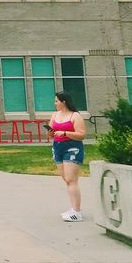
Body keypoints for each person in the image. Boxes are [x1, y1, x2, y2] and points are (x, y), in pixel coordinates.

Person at [49, 90, 86, 221]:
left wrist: (65, 133)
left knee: (71, 179)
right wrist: (51, 132)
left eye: (56, 101)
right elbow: (51, 131)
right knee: (66, 179)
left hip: (72, 148)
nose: (55, 103)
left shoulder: (75, 116)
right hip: (57, 147)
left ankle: (77, 212)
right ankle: (73, 208)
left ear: (63, 102)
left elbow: (81, 134)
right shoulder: (54, 115)